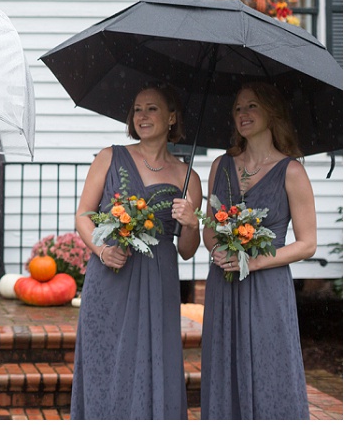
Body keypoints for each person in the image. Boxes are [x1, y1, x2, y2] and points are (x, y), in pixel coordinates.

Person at [70, 82, 202, 419]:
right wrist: (101, 251)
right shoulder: (109, 157)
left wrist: (191, 222)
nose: (142, 116)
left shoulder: (189, 178)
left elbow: (188, 251)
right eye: (138, 109)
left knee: (150, 357)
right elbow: (84, 215)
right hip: (111, 271)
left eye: (152, 108)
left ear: (172, 117)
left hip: (159, 278)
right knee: (107, 355)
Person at [200, 82, 315, 419]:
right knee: (223, 365)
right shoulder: (220, 166)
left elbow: (308, 243)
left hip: (267, 288)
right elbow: (209, 230)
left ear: (271, 112)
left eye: (251, 106)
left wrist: (253, 260)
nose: (242, 114)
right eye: (237, 108)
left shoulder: (292, 171)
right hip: (224, 285)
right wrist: (216, 251)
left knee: (270, 365)